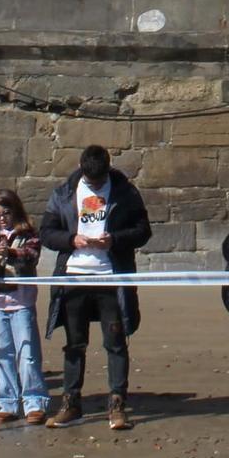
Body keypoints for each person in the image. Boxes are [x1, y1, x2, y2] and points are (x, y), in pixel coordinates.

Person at [40, 144, 151, 430]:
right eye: (91, 181)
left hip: (111, 277)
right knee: (75, 344)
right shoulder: (64, 192)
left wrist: (114, 239)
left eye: (100, 181)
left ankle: (117, 403)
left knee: (115, 342)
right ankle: (71, 402)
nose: (95, 185)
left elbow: (143, 230)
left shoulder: (125, 192)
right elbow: (47, 232)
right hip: (75, 276)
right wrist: (70, 240)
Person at [0, 189, 47, 425]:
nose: (2, 218)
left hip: (22, 301)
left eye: (6, 213)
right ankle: (7, 401)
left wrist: (12, 251)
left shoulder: (28, 232)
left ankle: (34, 401)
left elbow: (32, 254)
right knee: (2, 354)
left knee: (27, 354)